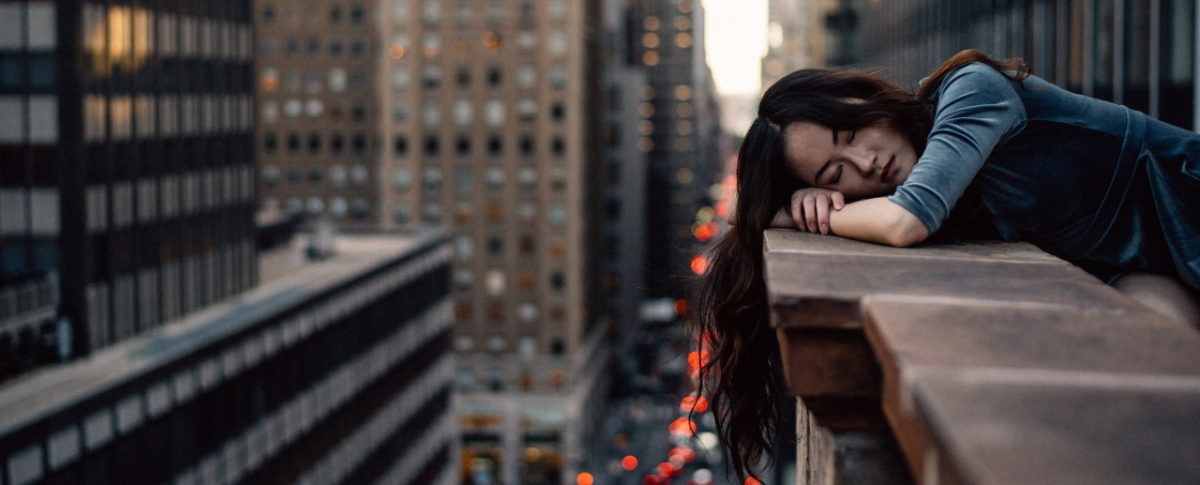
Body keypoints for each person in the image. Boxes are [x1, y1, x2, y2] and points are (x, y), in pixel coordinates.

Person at [690, 49, 1200, 480]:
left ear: (866, 99)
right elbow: (741, 211)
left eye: (850, 134)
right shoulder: (938, 182)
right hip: (1143, 264)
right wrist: (792, 202)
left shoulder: (971, 90)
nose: (866, 164)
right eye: (835, 173)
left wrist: (795, 215)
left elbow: (906, 221)